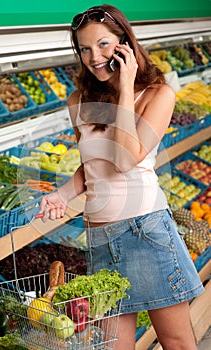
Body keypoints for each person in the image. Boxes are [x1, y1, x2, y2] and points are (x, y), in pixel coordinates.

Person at [39, 4, 204, 349]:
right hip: (99, 237)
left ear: (124, 43)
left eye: (102, 44)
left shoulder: (158, 94)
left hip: (144, 230)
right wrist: (62, 195)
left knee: (177, 341)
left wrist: (126, 87)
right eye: (84, 48)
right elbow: (93, 166)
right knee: (113, 345)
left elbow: (125, 159)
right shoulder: (78, 100)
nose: (93, 57)